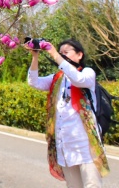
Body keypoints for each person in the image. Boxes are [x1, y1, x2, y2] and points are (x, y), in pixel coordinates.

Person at [26, 38, 109, 188]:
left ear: (79, 55)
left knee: (92, 185)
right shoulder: (57, 79)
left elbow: (78, 80)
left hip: (86, 146)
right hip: (65, 146)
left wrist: (54, 53)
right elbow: (34, 81)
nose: (62, 55)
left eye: (66, 52)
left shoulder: (87, 73)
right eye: (61, 52)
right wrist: (35, 56)